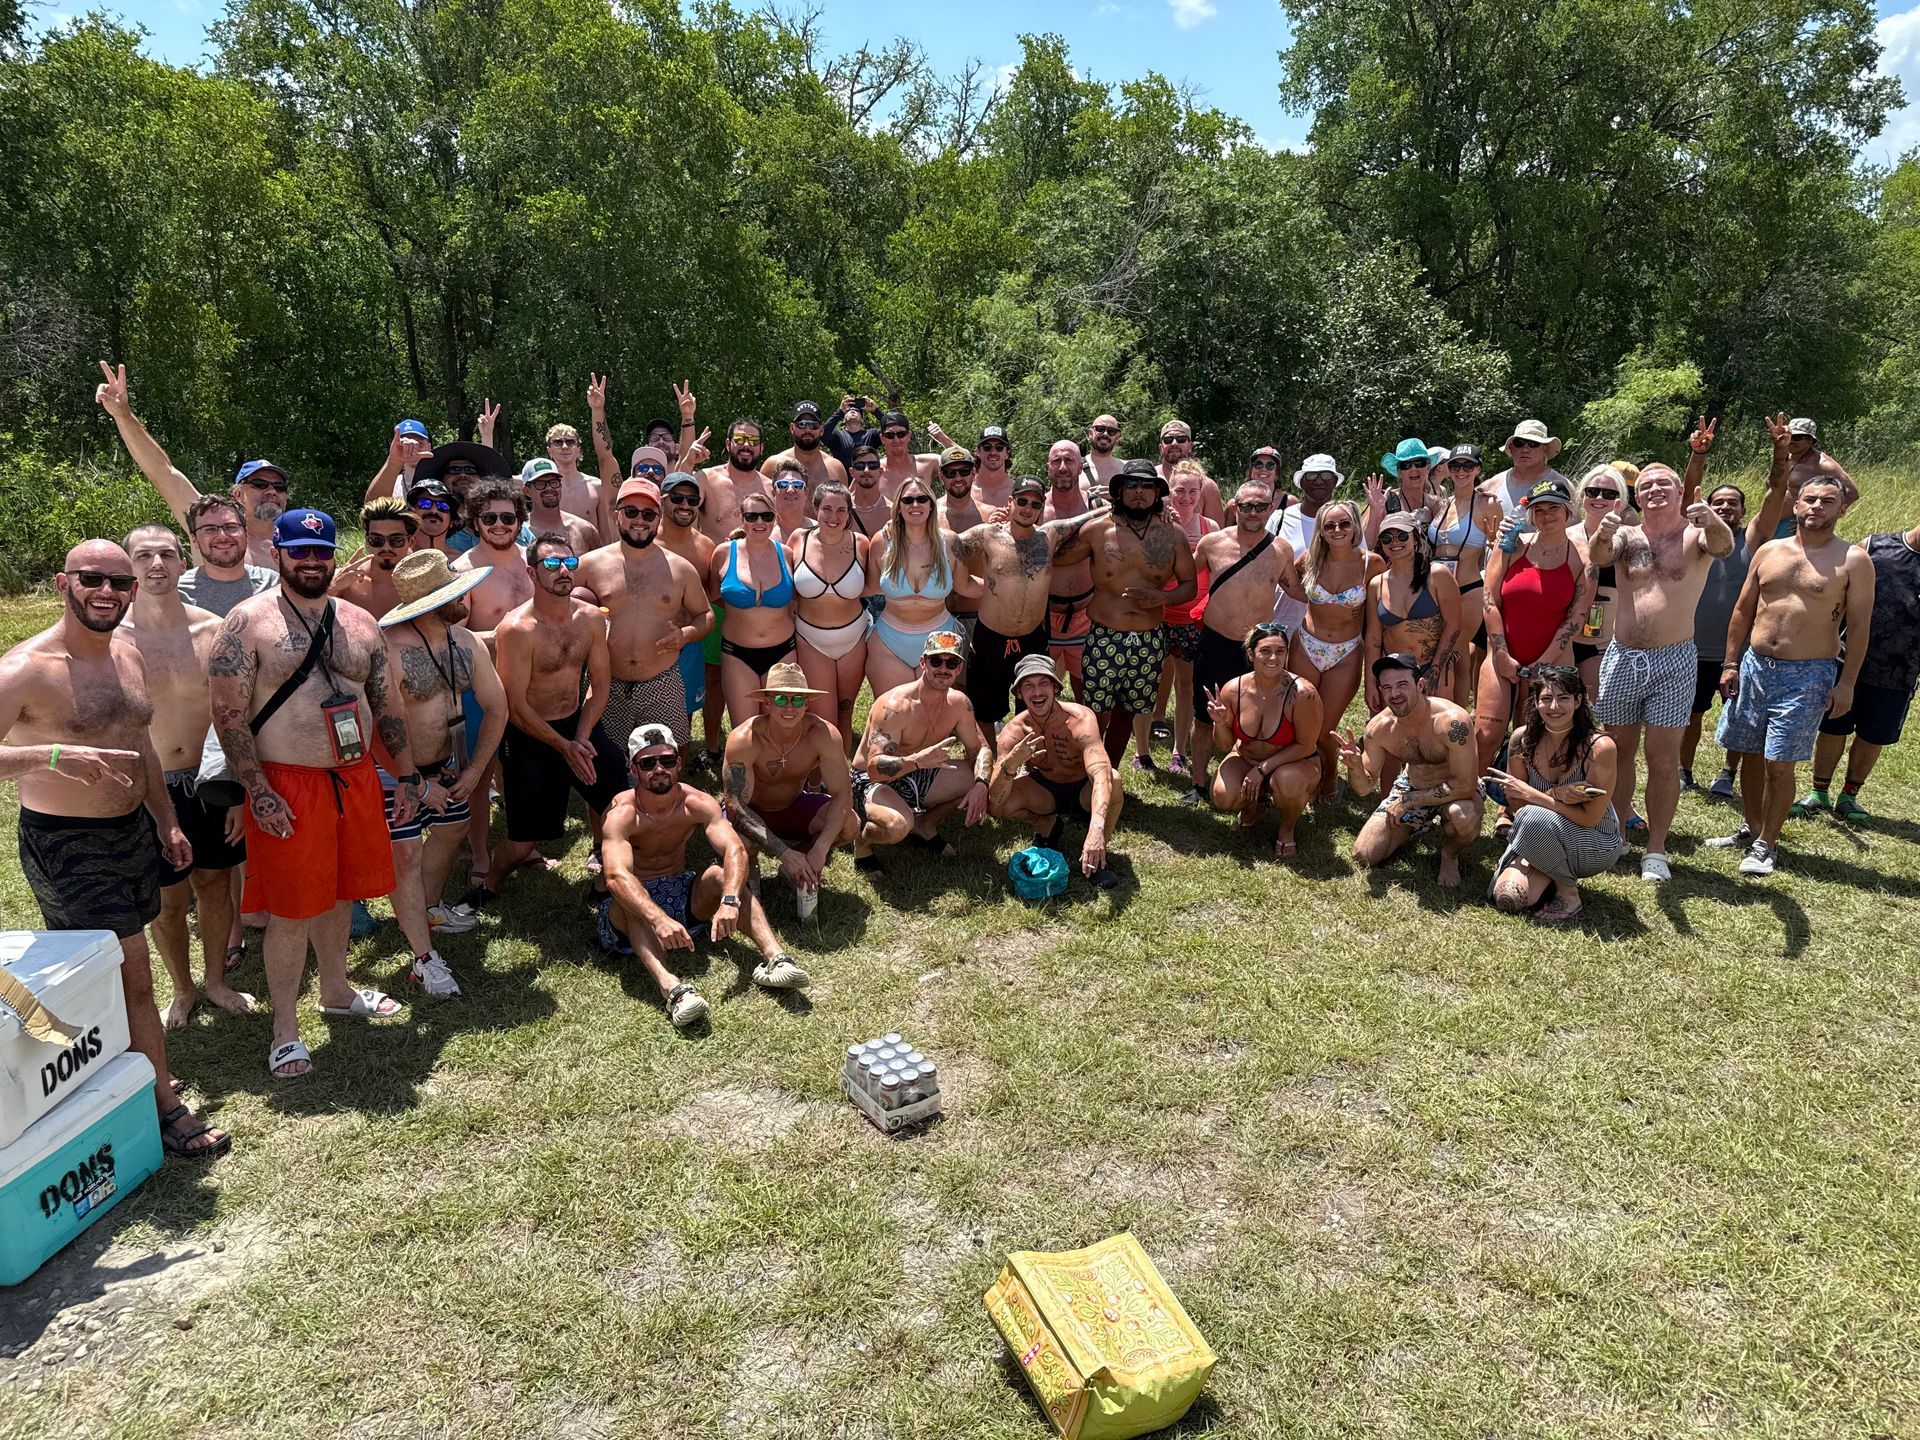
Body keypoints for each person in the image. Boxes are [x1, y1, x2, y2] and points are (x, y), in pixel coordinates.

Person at [0, 541, 229, 1158]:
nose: (107, 591)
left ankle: (121, 1076)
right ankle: (164, 1107)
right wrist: (49, 755)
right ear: (62, 583)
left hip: (133, 832)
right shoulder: (26, 669)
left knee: (112, 977)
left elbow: (141, 747)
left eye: (118, 582)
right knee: (131, 979)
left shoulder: (126, 654)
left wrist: (165, 822)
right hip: (68, 846)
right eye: (92, 579)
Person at [207, 510, 423, 1080]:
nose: (310, 561)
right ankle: (285, 1030)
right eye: (298, 551)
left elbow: (387, 706)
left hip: (352, 780)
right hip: (288, 783)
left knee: (342, 894)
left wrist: (405, 775)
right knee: (292, 910)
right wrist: (256, 789)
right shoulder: (245, 623)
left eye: (320, 552)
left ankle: (337, 991)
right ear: (277, 551)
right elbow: (229, 715)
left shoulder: (358, 621)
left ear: (333, 554)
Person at [1710, 475, 1875, 877]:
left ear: (1842, 508)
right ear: (1796, 505)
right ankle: (1752, 829)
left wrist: (1847, 682)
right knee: (1748, 750)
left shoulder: (1852, 560)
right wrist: (1731, 663)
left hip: (1808, 673)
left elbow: (1860, 627)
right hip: (1755, 666)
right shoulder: (1769, 550)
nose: (1817, 506)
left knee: (1779, 762)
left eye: (1827, 501)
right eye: (1810, 499)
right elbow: (1742, 611)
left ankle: (1768, 843)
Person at [121, 524, 251, 1028]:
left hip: (209, 777)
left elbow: (237, 712)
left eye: (167, 555)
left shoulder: (214, 629)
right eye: (144, 556)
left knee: (215, 885)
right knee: (169, 899)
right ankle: (182, 986)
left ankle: (216, 979)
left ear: (183, 563)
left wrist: (238, 788)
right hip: (151, 785)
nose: (156, 564)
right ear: (130, 566)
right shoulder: (112, 636)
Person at [599, 724, 808, 1028]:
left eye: (667, 760)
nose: (659, 769)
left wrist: (730, 900)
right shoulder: (622, 813)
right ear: (634, 769)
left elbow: (734, 849)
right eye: (648, 763)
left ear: (679, 763)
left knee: (716, 874)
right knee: (631, 900)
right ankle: (673, 990)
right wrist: (658, 919)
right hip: (630, 916)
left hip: (681, 895)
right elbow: (616, 877)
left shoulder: (696, 802)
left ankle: (777, 958)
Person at [1585, 461, 1735, 882]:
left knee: (1663, 758)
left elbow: (1722, 547)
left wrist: (1713, 518)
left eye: (1663, 484)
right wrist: (1602, 531)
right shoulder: (1627, 535)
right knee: (1618, 752)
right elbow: (1599, 557)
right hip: (1623, 655)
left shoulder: (1697, 533)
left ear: (1679, 491)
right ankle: (1615, 832)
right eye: (1646, 485)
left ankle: (1656, 848)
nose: (1654, 490)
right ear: (1638, 495)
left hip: (1674, 660)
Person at [374, 552, 507, 997]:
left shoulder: (464, 642)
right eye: (454, 592)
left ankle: (427, 908)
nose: (465, 598)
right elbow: (374, 727)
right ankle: (423, 958)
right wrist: (414, 781)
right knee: (406, 855)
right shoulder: (387, 649)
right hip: (394, 772)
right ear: (431, 602)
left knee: (454, 828)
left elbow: (497, 707)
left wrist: (473, 771)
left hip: (447, 765)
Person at [471, 534, 630, 906]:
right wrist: (564, 747)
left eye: (570, 564)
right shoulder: (516, 629)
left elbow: (601, 685)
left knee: (619, 804)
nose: (563, 571)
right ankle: (490, 883)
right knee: (523, 840)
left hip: (579, 724)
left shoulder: (591, 619)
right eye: (552, 564)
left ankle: (604, 884)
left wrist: (582, 735)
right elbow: (516, 705)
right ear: (531, 572)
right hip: (530, 733)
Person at [1057, 458, 1198, 762]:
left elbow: (1190, 585)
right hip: (1105, 636)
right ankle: (1084, 777)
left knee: (1128, 712)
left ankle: (1110, 772)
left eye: (1146, 485)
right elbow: (1055, 555)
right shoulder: (1097, 530)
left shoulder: (1172, 536)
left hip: (1149, 640)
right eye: (1131, 484)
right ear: (1119, 491)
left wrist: (1162, 597)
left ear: (1157, 492)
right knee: (1096, 713)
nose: (1138, 491)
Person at [95, 361, 288, 570]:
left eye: (279, 487)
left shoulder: (297, 545)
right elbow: (163, 472)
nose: (271, 491)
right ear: (238, 494)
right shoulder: (210, 525)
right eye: (260, 484)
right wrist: (123, 415)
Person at [952, 476, 1100, 728]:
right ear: (1010, 502)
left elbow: (1081, 520)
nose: (1028, 508)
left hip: (1033, 638)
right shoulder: (988, 534)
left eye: (1035, 504)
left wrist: (1112, 505)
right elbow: (947, 542)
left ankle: (1029, 762)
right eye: (1022, 501)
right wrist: (898, 526)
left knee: (1035, 709)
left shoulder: (1048, 535)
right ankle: (991, 761)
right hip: (991, 637)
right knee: (984, 713)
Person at [579, 476, 712, 756]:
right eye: (630, 512)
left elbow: (705, 615)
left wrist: (686, 635)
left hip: (662, 680)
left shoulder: (680, 569)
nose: (639, 520)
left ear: (658, 518)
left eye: (648, 514)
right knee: (606, 766)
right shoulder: (589, 565)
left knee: (668, 760)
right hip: (606, 683)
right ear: (617, 515)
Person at [1187, 479, 1300, 803]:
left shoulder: (1280, 549)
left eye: (1260, 506)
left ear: (1270, 509)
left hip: (1257, 650)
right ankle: (1197, 783)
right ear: (1234, 506)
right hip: (1216, 642)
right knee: (1205, 714)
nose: (1252, 512)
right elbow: (1183, 575)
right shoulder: (1211, 544)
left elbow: (1295, 587)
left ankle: (1255, 778)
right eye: (1246, 506)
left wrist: (1339, 595)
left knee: (1259, 716)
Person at [1483, 666, 1624, 923]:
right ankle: (1546, 867)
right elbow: (1515, 806)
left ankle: (1567, 892)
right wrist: (1556, 794)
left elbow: (1588, 819)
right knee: (1509, 897)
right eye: (1546, 698)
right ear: (1536, 702)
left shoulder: (1600, 748)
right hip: (1536, 831)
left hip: (1594, 842)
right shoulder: (1521, 740)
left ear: (1579, 700)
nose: (1554, 707)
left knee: (1531, 816)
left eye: (1564, 698)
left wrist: (1537, 796)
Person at [1476, 479, 1593, 778]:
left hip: (1553, 660)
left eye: (1553, 507)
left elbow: (1576, 618)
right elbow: (1489, 600)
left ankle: (1514, 805)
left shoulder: (1583, 560)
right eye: (1539, 509)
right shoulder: (1512, 546)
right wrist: (1501, 653)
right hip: (1501, 653)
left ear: (1568, 510)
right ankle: (1470, 794)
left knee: (1533, 738)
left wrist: (1543, 662)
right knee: (1486, 734)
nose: (1546, 515)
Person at [721, 662, 857, 921]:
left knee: (849, 824)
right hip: (751, 811)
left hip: (793, 806)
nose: (789, 707)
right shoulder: (745, 739)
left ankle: (796, 869)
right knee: (742, 839)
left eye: (797, 700)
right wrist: (783, 852)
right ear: (768, 703)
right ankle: (750, 871)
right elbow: (736, 807)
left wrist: (820, 848)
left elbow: (843, 794)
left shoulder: (823, 734)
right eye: (781, 699)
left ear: (807, 704)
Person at [1804, 517, 1920, 818]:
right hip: (1846, 659)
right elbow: (1837, 590)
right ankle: (1819, 791)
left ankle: (1849, 796)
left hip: (1901, 669)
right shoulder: (1876, 547)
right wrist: (1828, 633)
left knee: (1874, 735)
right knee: (1833, 725)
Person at [1338, 652, 1485, 888]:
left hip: (1456, 791)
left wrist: (1408, 801)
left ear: (1420, 685)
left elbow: (1465, 785)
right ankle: (1417, 826)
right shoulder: (1379, 729)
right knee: (1363, 855)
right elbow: (1364, 788)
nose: (1394, 694)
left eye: (1402, 685)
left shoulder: (1453, 723)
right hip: (1414, 784)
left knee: (1462, 817)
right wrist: (1355, 767)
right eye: (1387, 687)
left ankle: (1449, 855)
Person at [850, 631, 995, 865]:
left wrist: (981, 785)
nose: (943, 668)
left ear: (959, 669)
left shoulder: (959, 704)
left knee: (986, 777)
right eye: (936, 661)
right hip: (874, 779)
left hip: (919, 770)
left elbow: (979, 750)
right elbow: (874, 768)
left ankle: (925, 824)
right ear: (922, 662)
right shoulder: (894, 706)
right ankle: (863, 843)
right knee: (897, 827)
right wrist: (916, 760)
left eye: (952, 662)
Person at [986, 653, 1122, 887]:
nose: (1037, 692)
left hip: (1082, 790)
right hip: (1045, 790)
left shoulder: (1080, 719)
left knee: (1114, 779)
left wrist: (1096, 829)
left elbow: (1100, 773)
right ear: (1019, 693)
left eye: (1043, 684)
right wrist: (1010, 765)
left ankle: (1098, 855)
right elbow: (994, 799)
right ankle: (1045, 825)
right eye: (1028, 686)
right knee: (999, 804)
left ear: (1055, 687)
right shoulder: (1013, 732)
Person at [1285, 499, 1380, 800]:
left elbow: (1379, 608)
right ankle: (1313, 775)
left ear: (1355, 527)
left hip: (1346, 651)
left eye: (1344, 524)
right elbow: (1287, 580)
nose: (1337, 530)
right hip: (1307, 645)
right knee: (1302, 722)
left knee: (1324, 728)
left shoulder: (1371, 563)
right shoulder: (1310, 559)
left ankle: (1328, 777)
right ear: (1321, 531)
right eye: (1330, 525)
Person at [1205, 622, 1323, 858]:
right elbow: (1224, 745)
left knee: (1287, 781)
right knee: (1223, 796)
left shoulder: (1302, 693)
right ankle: (1255, 804)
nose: (1273, 658)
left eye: (1280, 651)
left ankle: (1287, 827)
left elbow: (1306, 745)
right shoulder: (1233, 690)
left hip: (1295, 762)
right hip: (1247, 758)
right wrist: (1219, 722)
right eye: (1265, 651)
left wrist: (1261, 770)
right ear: (1251, 653)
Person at [1131, 460, 1218, 775]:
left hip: (1190, 620)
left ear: (1201, 493)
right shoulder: (1152, 524)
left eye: (1192, 491)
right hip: (1155, 616)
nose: (1185, 497)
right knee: (1144, 683)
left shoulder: (1211, 529)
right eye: (1179, 490)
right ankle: (1142, 752)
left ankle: (1179, 752)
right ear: (1168, 491)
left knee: (1186, 687)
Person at [866, 478, 981, 694]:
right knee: (893, 714)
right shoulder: (882, 542)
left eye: (922, 499)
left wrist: (1004, 586)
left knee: (935, 720)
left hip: (940, 641)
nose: (915, 505)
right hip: (889, 643)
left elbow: (965, 586)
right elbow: (869, 587)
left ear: (931, 504)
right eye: (907, 500)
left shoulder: (949, 542)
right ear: (898, 507)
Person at [705, 486, 801, 726]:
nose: (759, 522)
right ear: (742, 519)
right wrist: (740, 611)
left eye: (766, 516)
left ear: (774, 519)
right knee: (745, 727)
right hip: (738, 653)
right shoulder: (724, 553)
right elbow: (713, 595)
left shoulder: (787, 554)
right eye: (751, 516)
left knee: (780, 725)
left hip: (783, 650)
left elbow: (798, 597)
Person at [788, 483, 872, 750]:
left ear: (849, 513)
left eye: (841, 510)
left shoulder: (862, 544)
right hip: (811, 639)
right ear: (815, 509)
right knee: (823, 716)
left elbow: (877, 581)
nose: (833, 517)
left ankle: (842, 777)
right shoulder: (798, 540)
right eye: (826, 509)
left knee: (846, 710)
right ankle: (818, 779)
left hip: (853, 637)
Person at [1363, 512, 1461, 715]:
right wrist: (1371, 683)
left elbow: (1453, 626)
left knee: (1437, 730)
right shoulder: (1376, 584)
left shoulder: (1437, 574)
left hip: (1433, 666)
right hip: (1392, 674)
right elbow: (1373, 639)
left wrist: (1435, 671)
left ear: (1415, 539)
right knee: (1394, 735)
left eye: (1402, 535)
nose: (1395, 542)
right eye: (1387, 538)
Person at [1427, 443, 1498, 706]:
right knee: (1438, 651)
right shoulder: (1442, 505)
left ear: (1478, 469)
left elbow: (1499, 547)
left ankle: (1457, 715)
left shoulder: (1487, 503)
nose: (1461, 470)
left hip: (1468, 587)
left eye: (1468, 465)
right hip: (1436, 589)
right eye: (1456, 465)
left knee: (1455, 652)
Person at [656, 471, 719, 768]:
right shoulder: (645, 540)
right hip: (649, 640)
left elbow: (712, 596)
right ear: (661, 500)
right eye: (677, 498)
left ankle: (676, 772)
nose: (685, 505)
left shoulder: (706, 546)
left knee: (684, 713)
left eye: (692, 500)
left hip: (690, 642)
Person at [1569, 466, 1631, 703]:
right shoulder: (1565, 537)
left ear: (1622, 501)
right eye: (1593, 491)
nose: (1599, 498)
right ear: (1582, 495)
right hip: (1562, 642)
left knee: (1597, 712)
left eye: (1609, 494)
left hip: (1605, 644)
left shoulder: (1629, 539)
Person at [1044, 440, 1099, 696]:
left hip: (1085, 615)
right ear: (1048, 468)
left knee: (1087, 692)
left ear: (1081, 466)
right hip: (1044, 616)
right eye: (1056, 461)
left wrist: (1165, 513)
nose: (1063, 467)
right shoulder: (1035, 509)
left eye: (1069, 461)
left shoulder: (1098, 507)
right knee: (1041, 692)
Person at [1267, 455, 1341, 635]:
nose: (1319, 481)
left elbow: (1360, 563)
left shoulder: (1345, 522)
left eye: (1325, 475)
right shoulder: (1280, 519)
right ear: (1301, 482)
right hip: (1283, 622)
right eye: (1312, 476)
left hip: (1331, 627)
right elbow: (1264, 567)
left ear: (1334, 481)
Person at [330, 498, 418, 618]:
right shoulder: (347, 583)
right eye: (377, 540)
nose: (386, 547)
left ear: (411, 541)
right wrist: (332, 589)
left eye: (396, 540)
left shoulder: (424, 581)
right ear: (367, 541)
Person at [1483, 419, 1569, 525]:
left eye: (1533, 443)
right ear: (1511, 448)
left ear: (1545, 448)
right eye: (1519, 443)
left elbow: (1572, 529)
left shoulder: (1561, 485)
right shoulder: (1492, 484)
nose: (1525, 449)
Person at [1781, 417, 1858, 533]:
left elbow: (1852, 492)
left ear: (1810, 440)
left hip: (1793, 525)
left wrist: (1820, 518)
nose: (1791, 441)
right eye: (1789, 436)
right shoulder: (1785, 456)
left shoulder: (1823, 464)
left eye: (1796, 438)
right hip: (1772, 519)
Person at [700, 417, 770, 540]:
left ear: (761, 448)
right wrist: (688, 462)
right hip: (716, 559)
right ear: (728, 444)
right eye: (739, 439)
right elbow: (674, 504)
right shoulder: (706, 479)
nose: (747, 445)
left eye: (754, 441)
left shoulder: (771, 489)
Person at [520, 458, 602, 554]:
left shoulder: (583, 529)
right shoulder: (520, 533)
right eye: (540, 484)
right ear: (527, 491)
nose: (549, 488)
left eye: (554, 482)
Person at [1362, 439, 1434, 547]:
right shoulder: (1386, 501)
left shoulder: (1436, 503)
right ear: (1399, 472)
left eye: (1419, 463)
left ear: (1428, 468)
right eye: (1406, 465)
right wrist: (1376, 511)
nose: (1414, 469)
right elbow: (1366, 545)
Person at [762, 400, 846, 490]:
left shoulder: (835, 468)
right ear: (792, 428)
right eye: (801, 424)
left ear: (821, 429)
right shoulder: (773, 464)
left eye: (813, 425)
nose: (807, 430)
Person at [1153, 419, 1224, 524]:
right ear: (1160, 448)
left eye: (1181, 439)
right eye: (1168, 440)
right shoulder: (1149, 480)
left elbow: (1218, 534)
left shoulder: (1207, 486)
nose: (1174, 443)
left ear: (1191, 446)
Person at [936, 446, 988, 535]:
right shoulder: (930, 514)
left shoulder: (989, 515)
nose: (958, 478)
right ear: (941, 477)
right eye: (950, 473)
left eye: (964, 471)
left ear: (973, 474)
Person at [847, 444, 893, 537]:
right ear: (852, 472)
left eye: (872, 465)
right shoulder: (843, 510)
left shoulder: (892, 511)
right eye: (860, 466)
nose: (866, 470)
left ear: (880, 471)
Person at [407, 478, 461, 557]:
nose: (434, 511)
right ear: (411, 513)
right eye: (424, 503)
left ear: (452, 521)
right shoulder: (397, 557)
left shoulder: (460, 563)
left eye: (443, 506)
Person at [769, 456, 815, 542]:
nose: (790, 490)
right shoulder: (762, 533)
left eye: (797, 484)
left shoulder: (819, 532)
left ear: (806, 493)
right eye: (783, 484)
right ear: (773, 493)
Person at [971, 425, 1016, 513]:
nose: (993, 452)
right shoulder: (966, 490)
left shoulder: (1017, 493)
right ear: (978, 452)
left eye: (999, 448)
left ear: (1007, 453)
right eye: (987, 447)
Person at [1083, 414, 1126, 488]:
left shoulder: (1126, 469)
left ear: (1117, 437)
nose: (1105, 434)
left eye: (1111, 431)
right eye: (1100, 429)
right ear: (1090, 433)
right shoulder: (1076, 468)